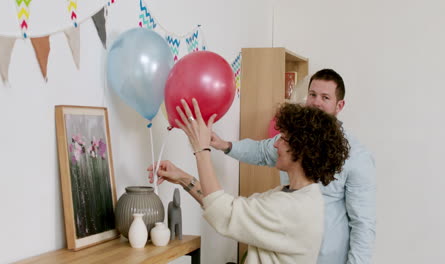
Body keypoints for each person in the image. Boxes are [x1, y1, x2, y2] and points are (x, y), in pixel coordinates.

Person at [148, 99, 349, 263]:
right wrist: (183, 178)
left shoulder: (293, 208)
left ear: (302, 150)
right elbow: (229, 208)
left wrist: (201, 151)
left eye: (283, 138)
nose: (276, 144)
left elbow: (223, 212)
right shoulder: (295, 195)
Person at [210, 69, 376, 264]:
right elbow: (261, 151)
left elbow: (363, 224)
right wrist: (225, 145)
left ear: (340, 105)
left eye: (325, 97)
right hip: (286, 254)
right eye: (312, 95)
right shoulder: (293, 140)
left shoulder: (357, 156)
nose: (316, 102)